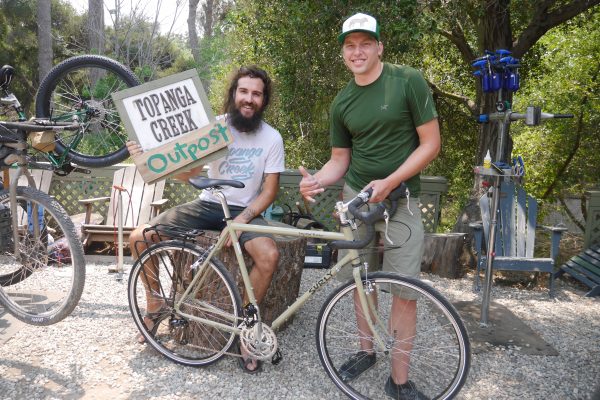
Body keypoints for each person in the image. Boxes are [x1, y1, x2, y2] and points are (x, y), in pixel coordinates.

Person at [299, 13, 440, 400]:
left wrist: (392, 180)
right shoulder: (342, 101)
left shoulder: (407, 80)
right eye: (350, 45)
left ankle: (399, 380)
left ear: (379, 46)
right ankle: (366, 352)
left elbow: (430, 144)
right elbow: (339, 159)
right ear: (343, 52)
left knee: (404, 289)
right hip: (355, 200)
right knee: (360, 284)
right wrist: (318, 180)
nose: (357, 51)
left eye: (365, 43)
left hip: (402, 201)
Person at [128, 66, 285, 374]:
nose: (249, 99)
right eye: (244, 92)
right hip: (209, 204)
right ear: (233, 94)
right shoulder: (214, 128)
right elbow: (188, 173)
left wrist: (242, 220)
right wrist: (145, 157)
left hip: (245, 211)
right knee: (139, 238)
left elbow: (270, 191)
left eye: (256, 94)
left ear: (263, 100)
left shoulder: (272, 138)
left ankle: (246, 330)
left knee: (270, 255)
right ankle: (155, 304)